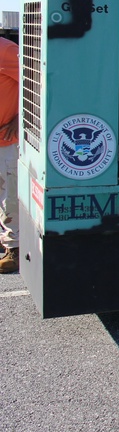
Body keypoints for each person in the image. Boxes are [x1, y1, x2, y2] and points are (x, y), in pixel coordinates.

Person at [0, 36, 19, 274]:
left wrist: (20, 119)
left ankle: (14, 246)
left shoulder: (5, 49)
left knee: (9, 194)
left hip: (7, 140)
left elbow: (38, 80)